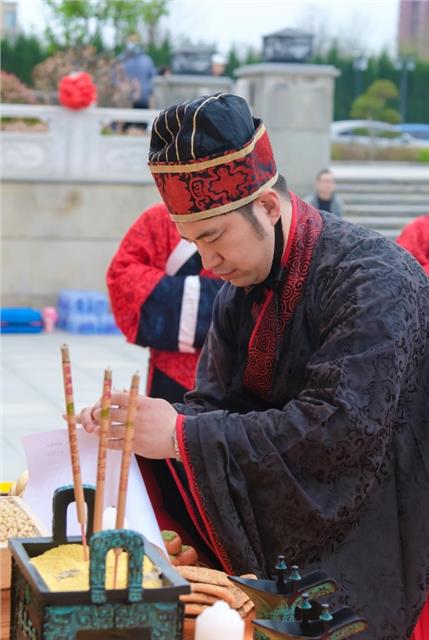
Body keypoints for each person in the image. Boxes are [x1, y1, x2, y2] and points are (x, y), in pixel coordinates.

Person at [79, 94, 429, 639]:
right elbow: (212, 406)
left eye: (214, 238)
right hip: (283, 551)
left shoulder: (374, 277)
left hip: (383, 530)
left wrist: (178, 433)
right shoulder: (238, 286)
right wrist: (144, 423)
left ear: (267, 205)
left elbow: (341, 431)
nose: (208, 264)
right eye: (194, 244)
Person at [106, 202, 222, 403]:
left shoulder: (254, 215)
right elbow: (121, 275)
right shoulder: (159, 218)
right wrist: (217, 306)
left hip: (243, 368)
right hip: (171, 369)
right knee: (165, 430)